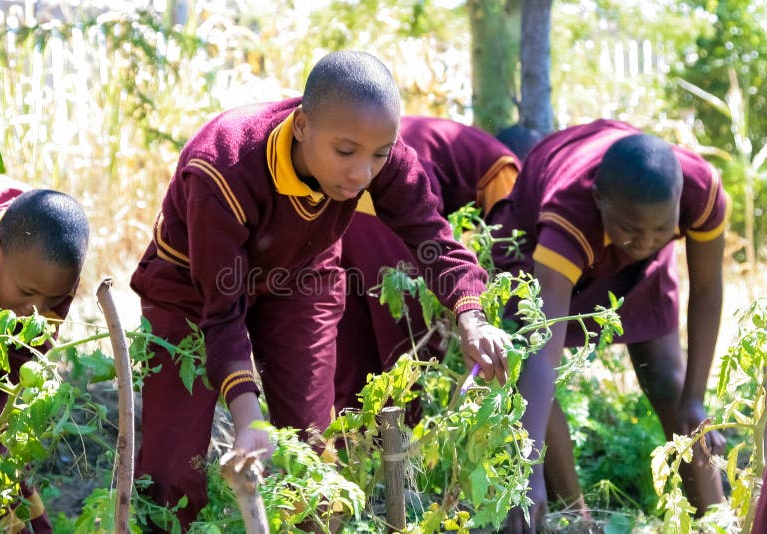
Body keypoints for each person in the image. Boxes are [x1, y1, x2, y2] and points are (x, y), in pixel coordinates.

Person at [129, 50, 511, 530]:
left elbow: (431, 237)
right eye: (345, 153)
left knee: (309, 454)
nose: (362, 174)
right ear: (303, 126)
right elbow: (221, 313)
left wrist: (471, 317)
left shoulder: (376, 153)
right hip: (191, 286)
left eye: (379, 154)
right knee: (172, 470)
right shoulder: (224, 167)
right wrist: (249, 418)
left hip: (300, 275)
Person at [488, 119, 729, 533]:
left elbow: (706, 290)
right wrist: (527, 474)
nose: (649, 241)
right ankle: (575, 517)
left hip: (627, 224)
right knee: (531, 372)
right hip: (534, 243)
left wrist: (695, 398)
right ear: (600, 200)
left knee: (671, 383)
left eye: (662, 229)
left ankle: (717, 519)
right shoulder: (569, 215)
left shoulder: (697, 191)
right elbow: (544, 353)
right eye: (633, 231)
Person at [334, 115, 526, 412]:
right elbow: (507, 251)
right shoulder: (510, 169)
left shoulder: (451, 138)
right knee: (409, 360)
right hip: (391, 216)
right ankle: (407, 450)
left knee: (355, 357)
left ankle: (351, 450)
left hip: (341, 205)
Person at [0, 164, 90, 533]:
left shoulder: (51, 275)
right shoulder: (5, 243)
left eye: (49, 299)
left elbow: (14, 374)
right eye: (25, 294)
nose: (34, 311)